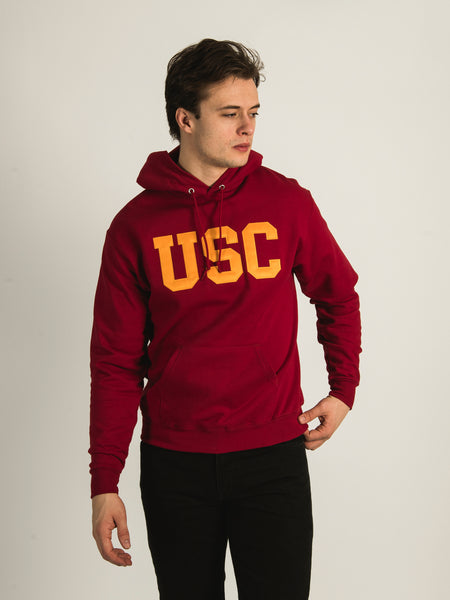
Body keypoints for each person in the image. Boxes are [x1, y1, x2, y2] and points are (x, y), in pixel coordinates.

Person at [89, 38, 361, 600]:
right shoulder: (134, 227)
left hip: (272, 455)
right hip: (174, 464)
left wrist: (344, 389)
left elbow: (338, 293)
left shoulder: (286, 202)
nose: (247, 128)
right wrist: (104, 481)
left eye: (254, 112)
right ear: (185, 119)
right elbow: (115, 361)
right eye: (230, 113)